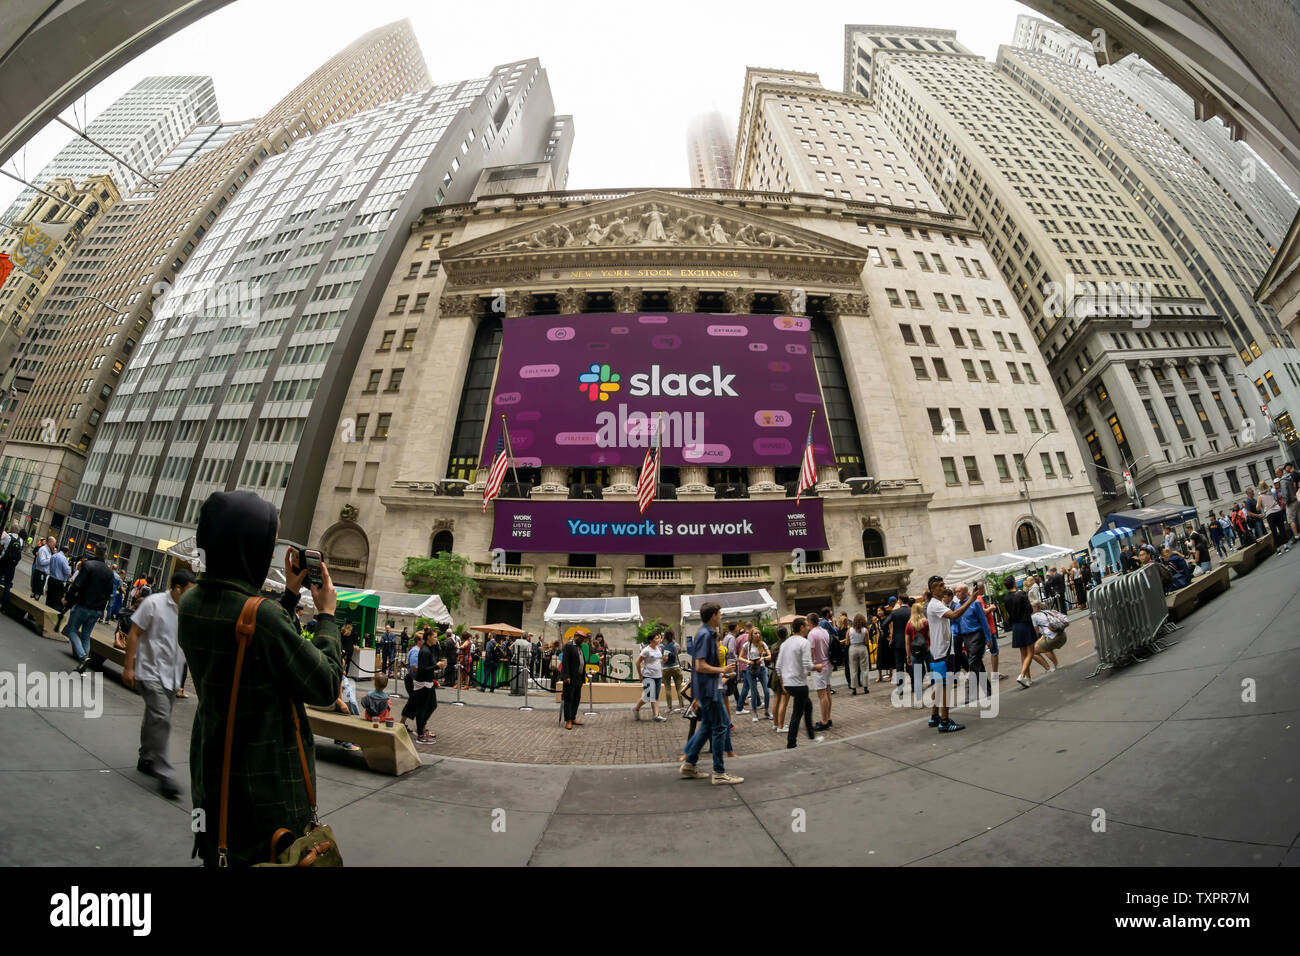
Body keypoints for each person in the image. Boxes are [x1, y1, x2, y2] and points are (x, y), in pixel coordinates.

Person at [178, 490, 342, 868]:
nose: (268, 553)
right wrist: (327, 615)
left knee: (220, 854)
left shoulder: (190, 603)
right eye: (267, 543)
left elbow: (247, 642)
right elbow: (325, 685)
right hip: (266, 784)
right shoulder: (265, 620)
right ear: (246, 546)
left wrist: (287, 596)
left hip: (214, 773)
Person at [122, 567, 197, 798]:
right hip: (149, 672)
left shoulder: (187, 612)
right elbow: (134, 632)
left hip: (171, 677)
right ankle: (164, 774)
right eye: (188, 591)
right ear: (176, 588)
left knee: (154, 717)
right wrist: (128, 666)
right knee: (161, 719)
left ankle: (146, 758)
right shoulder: (153, 603)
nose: (191, 596)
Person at [679, 603, 743, 784]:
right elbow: (700, 665)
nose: (721, 617)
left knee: (708, 725)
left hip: (707, 689)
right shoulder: (706, 635)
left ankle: (690, 764)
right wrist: (722, 669)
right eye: (720, 614)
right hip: (709, 689)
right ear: (713, 615)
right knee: (721, 726)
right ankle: (719, 773)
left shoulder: (707, 634)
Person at [924, 576, 977, 733]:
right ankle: (945, 721)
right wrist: (971, 599)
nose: (944, 587)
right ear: (933, 590)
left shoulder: (937, 604)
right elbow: (954, 615)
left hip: (940, 651)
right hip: (943, 652)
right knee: (945, 686)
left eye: (943, 584)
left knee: (940, 685)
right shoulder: (934, 605)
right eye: (940, 585)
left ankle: (935, 716)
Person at [62, 542, 115, 671]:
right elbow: (109, 593)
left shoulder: (88, 566)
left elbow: (76, 585)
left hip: (83, 605)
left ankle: (82, 657)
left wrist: (67, 598)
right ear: (106, 554)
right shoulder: (110, 572)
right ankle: (83, 663)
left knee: (71, 629)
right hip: (97, 609)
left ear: (95, 551)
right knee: (86, 635)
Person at [776, 616, 822, 749]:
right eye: (806, 626)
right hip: (799, 684)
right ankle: (791, 743)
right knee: (797, 713)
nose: (808, 628)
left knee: (807, 706)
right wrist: (817, 667)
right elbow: (807, 665)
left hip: (789, 683)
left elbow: (778, 666)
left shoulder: (785, 643)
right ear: (801, 628)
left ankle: (811, 736)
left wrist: (783, 683)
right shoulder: (804, 642)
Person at [950, 583, 991, 699]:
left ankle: (971, 693)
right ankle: (987, 689)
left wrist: (988, 638)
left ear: (964, 592)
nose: (956, 594)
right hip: (966, 638)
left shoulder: (975, 603)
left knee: (972, 663)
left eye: (958, 591)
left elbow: (983, 621)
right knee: (978, 664)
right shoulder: (957, 607)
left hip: (977, 635)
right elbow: (956, 623)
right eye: (956, 592)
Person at [1003, 574, 1038, 687]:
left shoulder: (1006, 598)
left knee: (1023, 653)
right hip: (1025, 624)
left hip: (1016, 626)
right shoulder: (1021, 594)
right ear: (1014, 583)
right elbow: (1029, 609)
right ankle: (1022, 675)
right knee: (1030, 652)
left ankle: (1028, 678)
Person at [632, 631, 668, 721]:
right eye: (656, 638)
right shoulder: (646, 650)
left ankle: (656, 715)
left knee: (655, 696)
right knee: (648, 696)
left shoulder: (658, 648)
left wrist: (664, 660)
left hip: (658, 675)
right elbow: (637, 662)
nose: (659, 639)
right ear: (651, 640)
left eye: (658, 638)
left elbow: (657, 661)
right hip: (648, 675)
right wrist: (640, 675)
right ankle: (636, 708)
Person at [807, 612, 833, 732]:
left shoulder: (812, 634)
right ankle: (828, 718)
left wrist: (810, 666)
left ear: (810, 622)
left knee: (822, 694)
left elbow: (811, 651)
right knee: (827, 691)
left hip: (819, 666)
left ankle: (824, 721)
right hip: (828, 664)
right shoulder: (824, 631)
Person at [739, 626, 771, 719]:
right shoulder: (746, 645)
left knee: (767, 691)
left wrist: (763, 658)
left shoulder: (762, 644)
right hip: (751, 670)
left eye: (758, 633)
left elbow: (770, 655)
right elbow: (740, 657)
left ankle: (766, 711)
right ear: (751, 635)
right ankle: (755, 714)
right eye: (755, 633)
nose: (757, 635)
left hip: (761, 669)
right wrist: (748, 661)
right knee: (753, 692)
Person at [561, 629, 590, 730]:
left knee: (576, 699)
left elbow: (581, 662)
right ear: (575, 636)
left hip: (579, 677)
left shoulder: (580, 647)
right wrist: (566, 676)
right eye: (581, 638)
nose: (582, 640)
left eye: (583, 639)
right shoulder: (569, 646)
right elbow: (565, 662)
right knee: (569, 699)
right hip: (571, 678)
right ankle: (568, 720)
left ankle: (573, 718)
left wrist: (584, 675)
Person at [1029, 600, 1065, 671]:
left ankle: (1048, 669)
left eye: (1030, 608)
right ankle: (1057, 665)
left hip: (1054, 638)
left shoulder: (1034, 617)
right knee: (1044, 646)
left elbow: (1036, 633)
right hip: (1063, 635)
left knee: (1032, 652)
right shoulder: (1046, 612)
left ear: (1035, 608)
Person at [47, 544, 72, 630]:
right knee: (57, 602)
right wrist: (69, 569)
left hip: (51, 579)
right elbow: (67, 572)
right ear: (67, 552)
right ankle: (52, 622)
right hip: (59, 582)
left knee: (49, 599)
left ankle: (46, 617)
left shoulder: (54, 555)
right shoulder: (63, 558)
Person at [661, 629, 686, 713]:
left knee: (667, 689)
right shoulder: (676, 645)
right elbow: (676, 654)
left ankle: (669, 708)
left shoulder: (662, 646)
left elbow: (662, 656)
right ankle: (682, 707)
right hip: (675, 667)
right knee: (679, 687)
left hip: (665, 668)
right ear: (673, 635)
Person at [0, 523, 24, 609]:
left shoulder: (8, 536)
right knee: (7, 585)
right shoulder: (20, 540)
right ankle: (3, 605)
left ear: (12, 529)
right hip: (12, 566)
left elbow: (1, 545)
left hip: (3, 562)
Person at [768, 626, 788, 733]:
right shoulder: (787, 645)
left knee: (776, 699)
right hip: (784, 674)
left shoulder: (774, 646)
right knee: (784, 700)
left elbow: (772, 659)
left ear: (777, 635)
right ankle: (781, 725)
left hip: (775, 673)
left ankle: (775, 724)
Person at [846, 613, 870, 694]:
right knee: (864, 668)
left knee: (853, 669)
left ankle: (854, 688)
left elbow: (847, 642)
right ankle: (865, 687)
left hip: (853, 648)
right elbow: (866, 642)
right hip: (862, 648)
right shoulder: (865, 630)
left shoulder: (849, 630)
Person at [30, 534, 54, 601]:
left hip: (43, 574)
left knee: (37, 594)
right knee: (36, 594)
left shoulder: (48, 551)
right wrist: (51, 559)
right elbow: (42, 562)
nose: (54, 546)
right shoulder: (43, 549)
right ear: (49, 542)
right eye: (53, 544)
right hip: (40, 573)